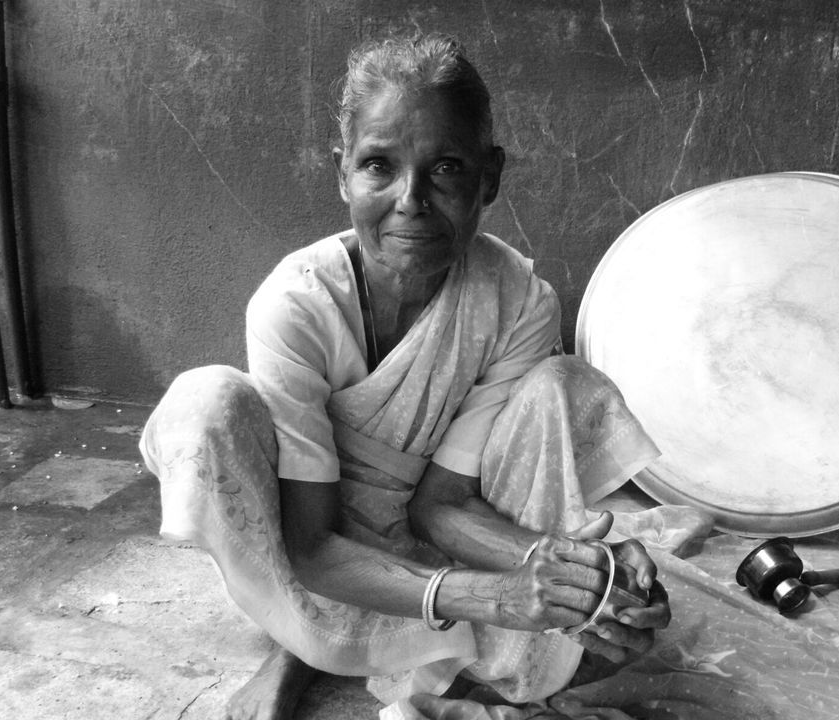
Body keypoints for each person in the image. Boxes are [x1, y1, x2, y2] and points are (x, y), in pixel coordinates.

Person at [140, 33, 671, 720]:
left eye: (447, 167)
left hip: (435, 548)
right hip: (314, 559)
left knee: (561, 385)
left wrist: (572, 570)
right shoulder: (295, 306)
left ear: (491, 177)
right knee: (209, 400)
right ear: (342, 175)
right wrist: (495, 598)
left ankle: (408, 656)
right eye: (378, 166)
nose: (410, 199)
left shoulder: (517, 301)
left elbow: (439, 507)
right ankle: (298, 641)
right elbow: (308, 546)